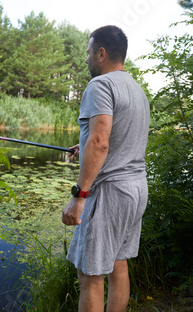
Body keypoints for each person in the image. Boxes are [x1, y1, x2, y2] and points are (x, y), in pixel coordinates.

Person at [62, 25, 150, 312]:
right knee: (118, 266)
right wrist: (82, 146)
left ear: (101, 53)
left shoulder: (100, 85)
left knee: (90, 274)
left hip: (110, 193)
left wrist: (79, 195)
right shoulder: (137, 90)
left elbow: (100, 142)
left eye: (88, 52)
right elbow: (115, 138)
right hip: (136, 190)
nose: (86, 59)